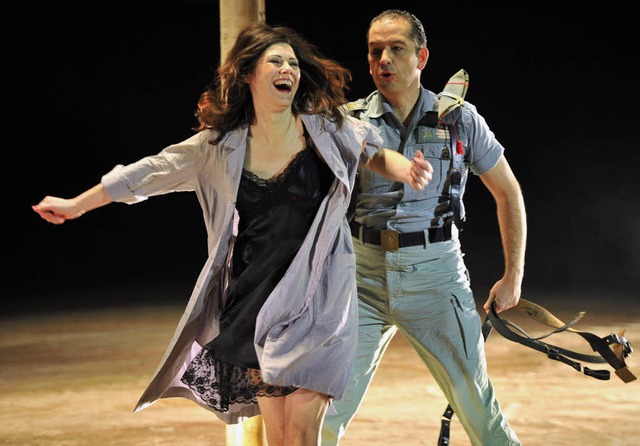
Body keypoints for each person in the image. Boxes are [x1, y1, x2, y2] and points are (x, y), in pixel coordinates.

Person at [32, 22, 433, 446]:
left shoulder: (326, 130)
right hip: (255, 303)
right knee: (278, 437)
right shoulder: (218, 147)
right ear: (248, 74)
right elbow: (148, 172)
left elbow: (371, 151)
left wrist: (406, 170)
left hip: (320, 300)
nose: (288, 70)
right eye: (275, 61)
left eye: (293, 63)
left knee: (301, 434)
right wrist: (77, 204)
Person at [321, 9, 526, 446]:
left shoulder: (460, 119)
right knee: (321, 409)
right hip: (362, 278)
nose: (383, 60)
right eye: (375, 51)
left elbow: (508, 192)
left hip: (435, 276)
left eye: (396, 49)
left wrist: (514, 276)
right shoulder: (349, 120)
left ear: (422, 57)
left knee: (478, 407)